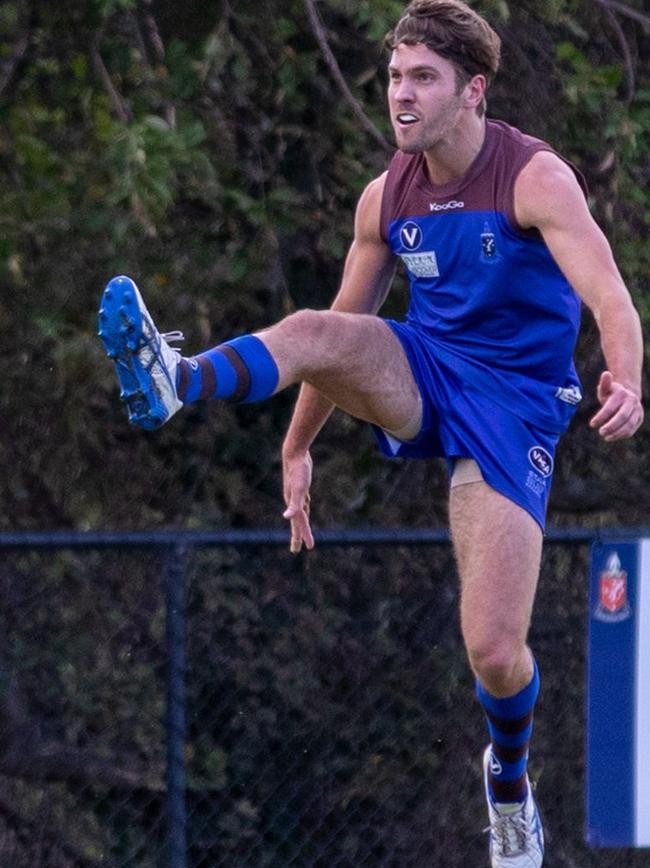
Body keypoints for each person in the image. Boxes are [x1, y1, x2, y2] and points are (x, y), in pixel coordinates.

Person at [97, 0, 644, 864]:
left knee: (496, 652)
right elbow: (338, 335)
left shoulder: (534, 179)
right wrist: (296, 445)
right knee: (313, 324)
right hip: (427, 368)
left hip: (514, 407)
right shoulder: (387, 195)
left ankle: (509, 781)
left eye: (423, 77)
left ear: (473, 90)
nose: (402, 93)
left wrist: (630, 380)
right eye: (395, 75)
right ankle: (177, 381)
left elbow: (612, 296)